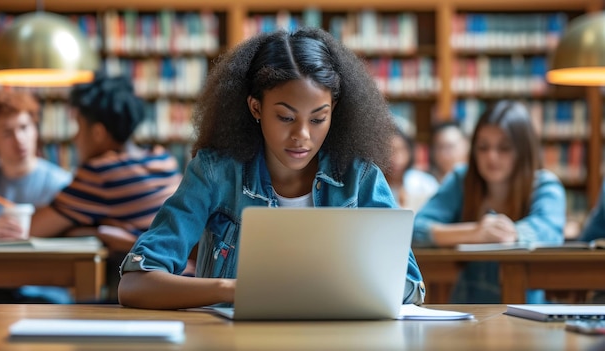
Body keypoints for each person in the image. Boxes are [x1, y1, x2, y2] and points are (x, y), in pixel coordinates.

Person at [118, 27, 426, 310]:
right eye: (286, 117)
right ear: (256, 108)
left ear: (334, 112)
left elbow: (411, 287)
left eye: (318, 119)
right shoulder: (215, 173)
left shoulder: (359, 178)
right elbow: (135, 284)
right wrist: (233, 289)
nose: (302, 136)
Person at [24, 74, 183, 301]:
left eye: (78, 127)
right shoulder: (161, 157)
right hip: (185, 277)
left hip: (155, 286)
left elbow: (32, 230)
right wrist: (96, 231)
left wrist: (93, 231)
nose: (75, 138)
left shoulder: (101, 173)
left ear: (98, 133)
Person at [413, 100, 566, 303]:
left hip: (526, 308)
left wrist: (510, 233)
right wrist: (475, 232)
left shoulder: (545, 185)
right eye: (483, 147)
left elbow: (549, 232)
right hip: (467, 309)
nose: (491, 157)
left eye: (504, 148)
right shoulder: (462, 179)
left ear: (523, 151)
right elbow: (414, 230)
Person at [0, 90, 73, 303]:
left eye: (24, 127)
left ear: (35, 129)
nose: (19, 139)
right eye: (7, 132)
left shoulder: (61, 183)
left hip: (47, 288)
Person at [384, 126, 438, 212]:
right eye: (389, 151)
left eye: (400, 150)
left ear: (409, 151)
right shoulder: (376, 184)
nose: (396, 158)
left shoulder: (425, 182)